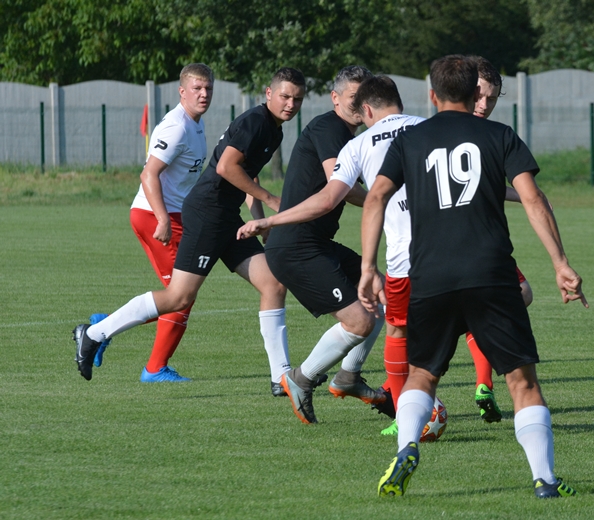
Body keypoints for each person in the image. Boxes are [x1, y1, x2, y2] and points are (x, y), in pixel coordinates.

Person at [359, 55, 587, 499]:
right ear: (475, 92)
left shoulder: (410, 140)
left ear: (432, 95)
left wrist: (369, 268)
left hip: (430, 274)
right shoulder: (500, 135)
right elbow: (533, 199)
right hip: (490, 272)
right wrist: (560, 262)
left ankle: (407, 447)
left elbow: (375, 199)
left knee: (422, 374)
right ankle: (544, 479)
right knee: (522, 382)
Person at [72, 68, 306, 392]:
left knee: (273, 283)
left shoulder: (272, 131)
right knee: (179, 297)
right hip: (206, 214)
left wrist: (261, 220)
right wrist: (270, 199)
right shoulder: (253, 122)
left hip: (226, 216)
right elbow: (225, 167)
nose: (291, 104)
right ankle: (96, 334)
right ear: (269, 94)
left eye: (297, 99)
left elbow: (247, 176)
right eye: (285, 96)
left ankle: (280, 377)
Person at [237, 65, 385, 425]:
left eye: (365, 97)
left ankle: (348, 376)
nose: (361, 105)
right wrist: (384, 199)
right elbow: (340, 188)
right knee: (359, 321)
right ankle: (300, 378)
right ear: (335, 98)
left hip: (317, 242)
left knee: (382, 293)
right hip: (295, 247)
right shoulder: (329, 128)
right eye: (353, 97)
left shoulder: (353, 137)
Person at [89, 63, 214, 382]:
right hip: (155, 216)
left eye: (208, 88)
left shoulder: (196, 124)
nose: (203, 94)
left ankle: (104, 324)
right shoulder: (176, 126)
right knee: (182, 297)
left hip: (170, 215)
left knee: (180, 296)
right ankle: (153, 368)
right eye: (197, 88)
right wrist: (162, 218)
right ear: (182, 91)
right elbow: (148, 174)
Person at [466, 56, 535, 423]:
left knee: (516, 295)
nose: (484, 105)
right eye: (478, 95)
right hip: (472, 243)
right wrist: (527, 196)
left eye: (491, 98)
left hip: (471, 243)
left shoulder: (477, 133)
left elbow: (481, 185)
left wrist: (522, 195)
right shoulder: (478, 134)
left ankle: (483, 383)